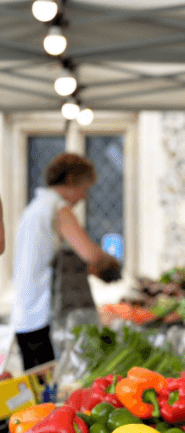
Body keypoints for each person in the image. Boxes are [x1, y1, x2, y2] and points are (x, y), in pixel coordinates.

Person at [12, 153, 120, 370]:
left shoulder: (35, 207)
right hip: (42, 315)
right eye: (85, 189)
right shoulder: (58, 208)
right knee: (48, 391)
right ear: (71, 182)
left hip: (25, 314)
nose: (84, 197)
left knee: (38, 390)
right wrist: (112, 265)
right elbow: (91, 254)